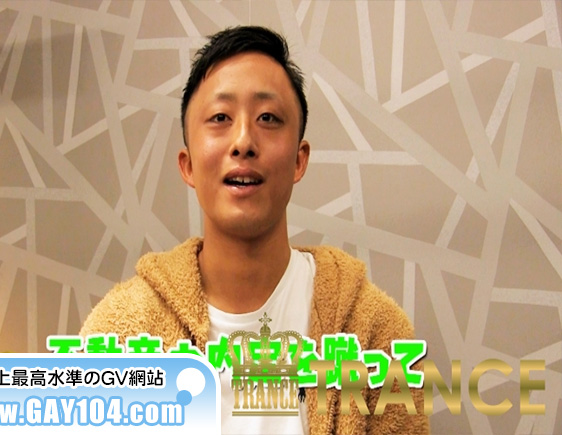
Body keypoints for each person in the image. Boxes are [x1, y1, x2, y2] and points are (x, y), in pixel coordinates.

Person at [81, 26, 429, 434]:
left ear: (299, 160)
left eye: (268, 118)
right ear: (188, 165)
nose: (244, 141)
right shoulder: (119, 335)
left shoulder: (372, 333)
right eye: (220, 118)